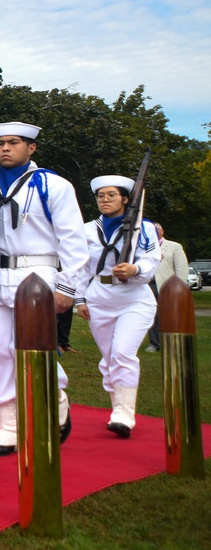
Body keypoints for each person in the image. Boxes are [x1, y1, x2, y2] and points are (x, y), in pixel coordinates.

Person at [0, 122, 87, 454]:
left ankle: (57, 398)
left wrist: (68, 286)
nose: (5, 149)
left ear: (31, 148)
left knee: (34, 348)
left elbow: (74, 241)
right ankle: (8, 422)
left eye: (13, 143)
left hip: (37, 274)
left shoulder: (54, 185)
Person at [75, 175, 159, 437]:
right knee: (110, 356)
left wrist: (135, 268)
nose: (105, 199)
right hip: (100, 296)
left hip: (133, 297)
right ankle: (118, 409)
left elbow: (152, 259)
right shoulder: (87, 230)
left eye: (111, 195)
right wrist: (79, 298)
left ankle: (124, 414)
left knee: (123, 353)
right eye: (100, 196)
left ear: (125, 199)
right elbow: (81, 267)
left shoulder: (143, 228)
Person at [145, 222, 189, 352]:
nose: (154, 232)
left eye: (156, 229)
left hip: (168, 286)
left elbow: (181, 268)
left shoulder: (174, 246)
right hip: (148, 285)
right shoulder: (144, 247)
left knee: (170, 315)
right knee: (152, 314)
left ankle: (173, 343)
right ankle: (155, 343)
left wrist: (180, 288)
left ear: (162, 231)